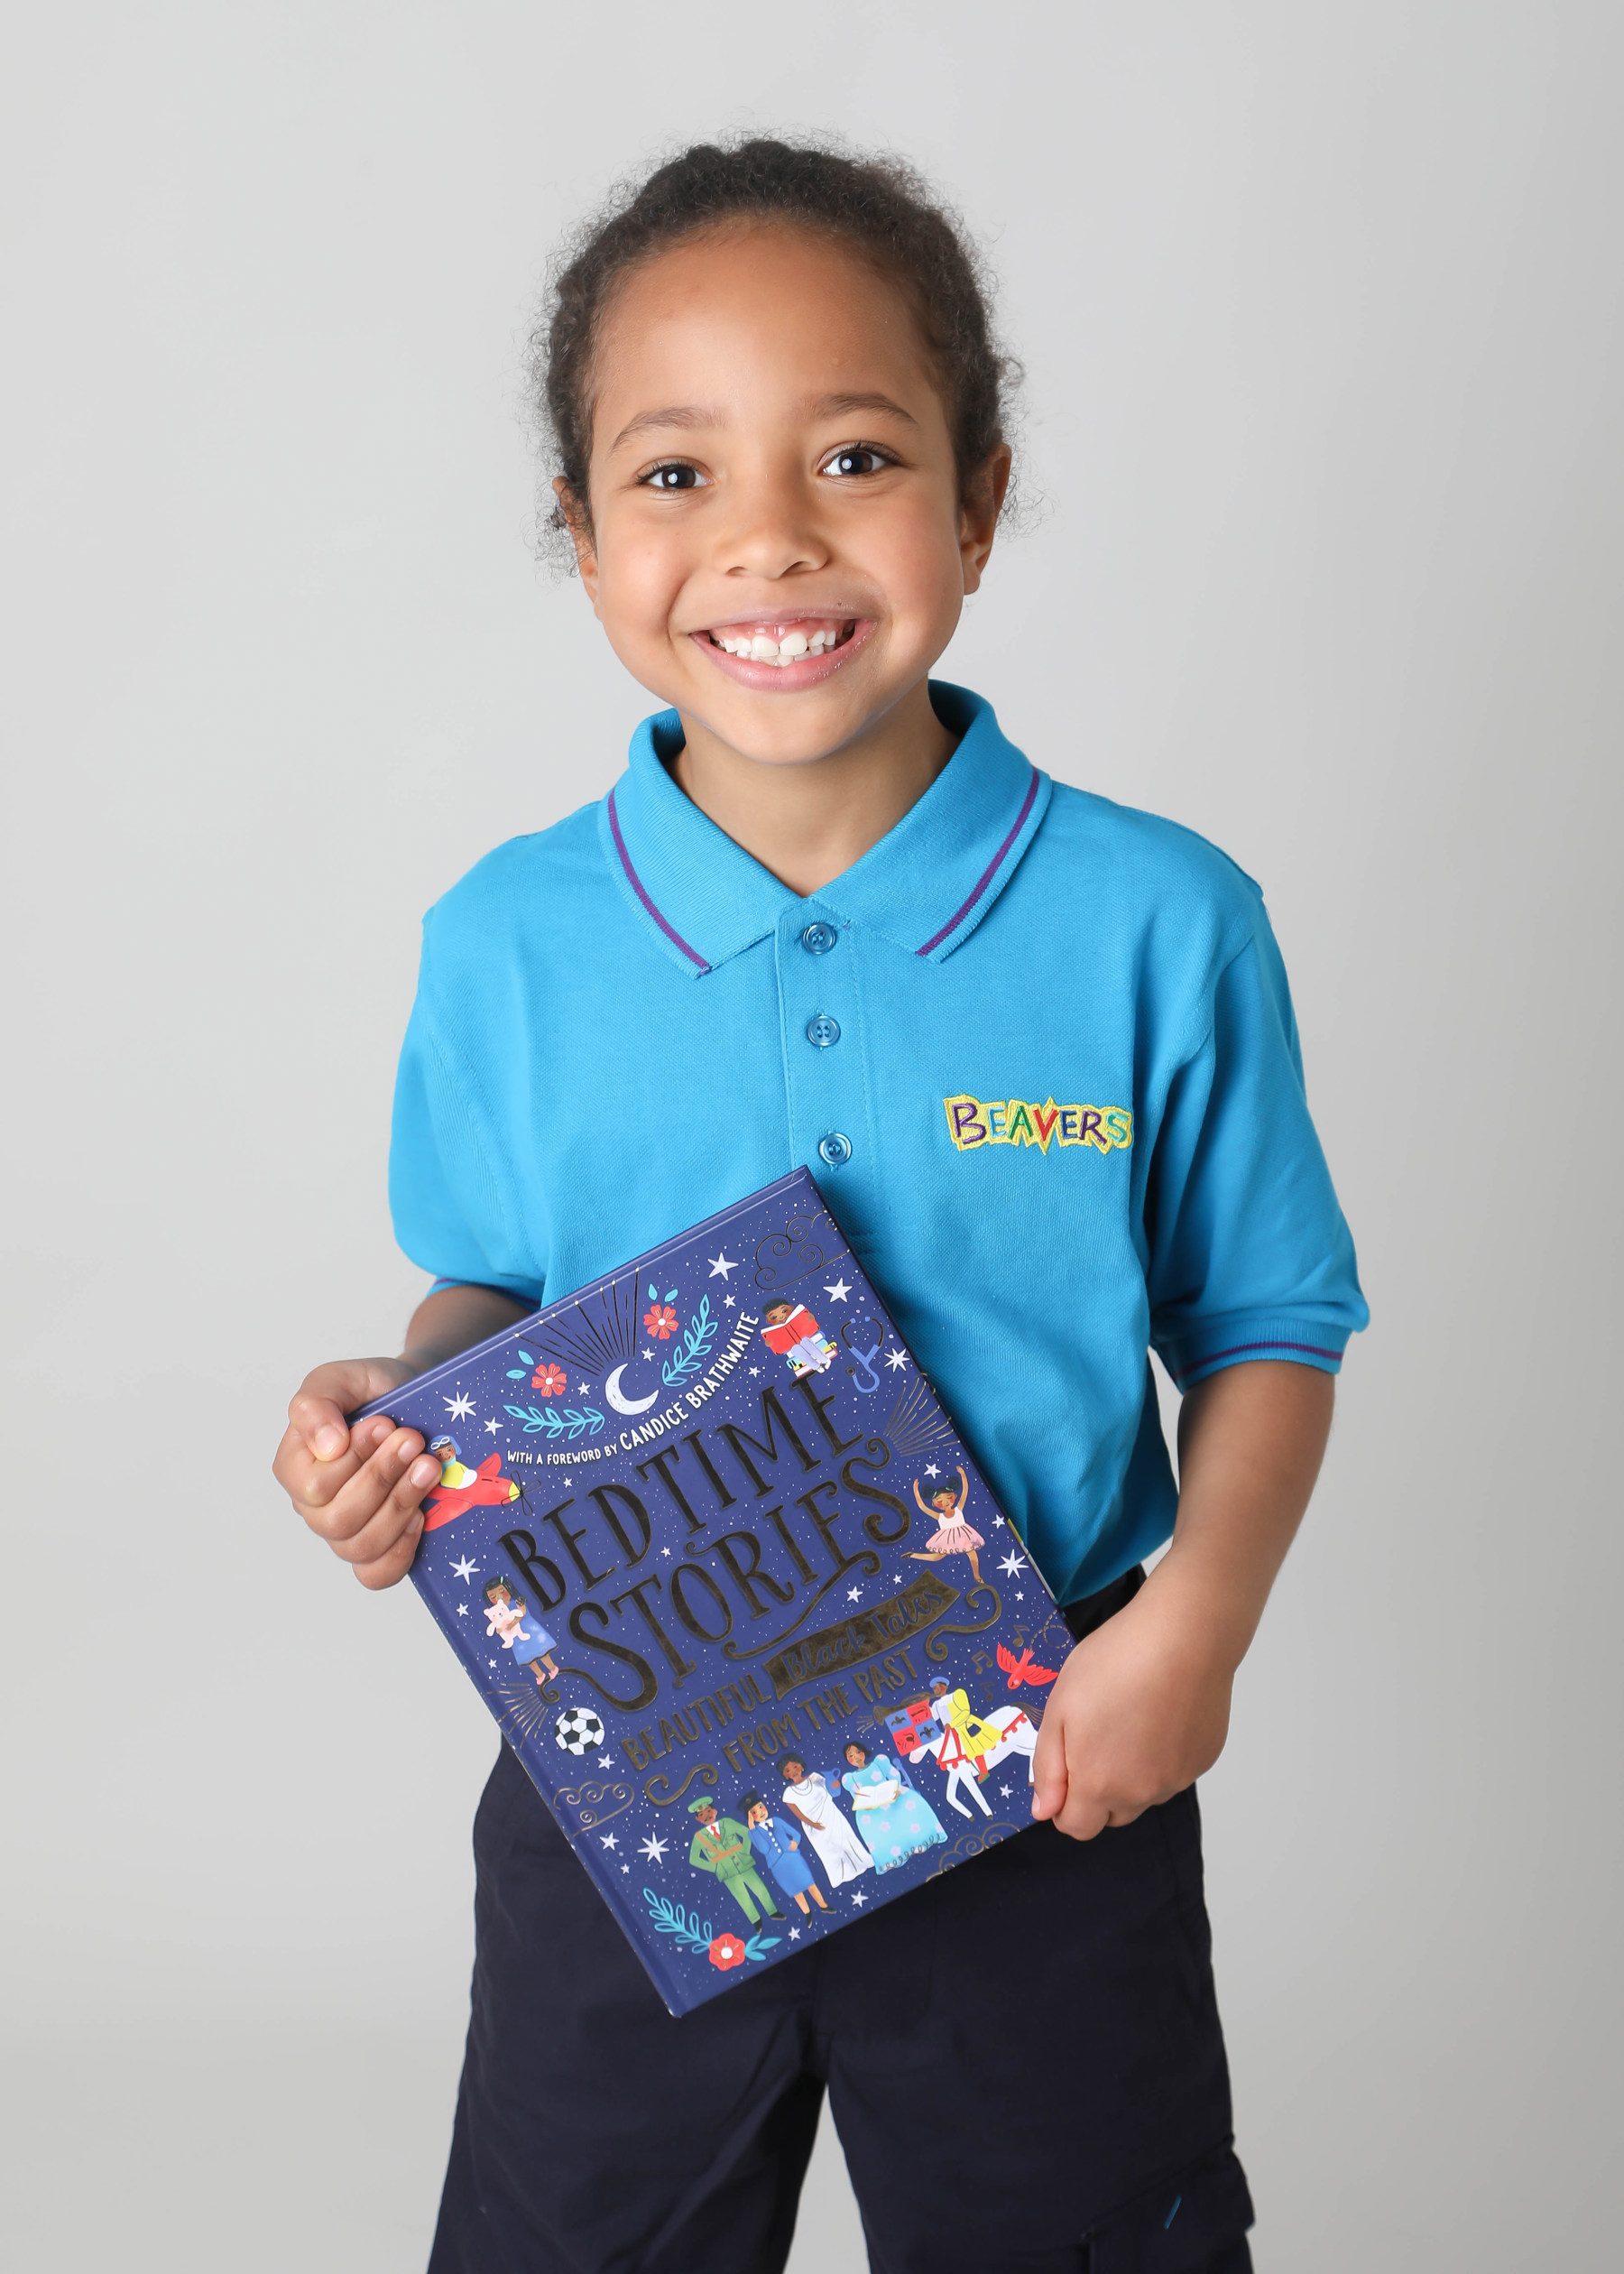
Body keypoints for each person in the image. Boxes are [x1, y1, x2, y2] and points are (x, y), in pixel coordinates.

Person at [272, 135, 1366, 2273]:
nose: (766, 535)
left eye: (854, 454)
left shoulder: (1159, 919)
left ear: (976, 499)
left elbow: (1267, 1325)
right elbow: (488, 1285)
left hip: (1056, 1768)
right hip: (635, 1791)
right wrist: (399, 1417)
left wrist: (1195, 1634)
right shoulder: (508, 940)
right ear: (579, 538)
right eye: (673, 476)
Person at [839, 1738, 949, 1871]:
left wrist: (895, 1789)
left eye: (858, 1752)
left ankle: (919, 1841)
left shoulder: (878, 1763)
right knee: (875, 1826)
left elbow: (894, 1774)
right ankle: (896, 1855)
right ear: (848, 1760)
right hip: (872, 1807)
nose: (856, 1757)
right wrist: (865, 1804)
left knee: (907, 1810)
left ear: (863, 1752)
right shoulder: (850, 1778)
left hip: (891, 1795)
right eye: (851, 1756)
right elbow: (857, 1796)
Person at [686, 1796, 784, 1927]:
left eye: (708, 1811)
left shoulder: (727, 1822)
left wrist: (745, 1851)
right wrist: (715, 1868)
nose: (707, 1816)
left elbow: (747, 1833)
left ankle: (773, 1912)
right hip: (727, 1873)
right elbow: (694, 1859)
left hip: (744, 1864)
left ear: (715, 1811)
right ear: (698, 1819)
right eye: (701, 1815)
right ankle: (756, 1921)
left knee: (760, 1889)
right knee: (742, 1897)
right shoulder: (699, 1838)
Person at [778, 1753, 874, 1885]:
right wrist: (813, 1824)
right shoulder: (788, 1794)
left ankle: (862, 1863)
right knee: (829, 1851)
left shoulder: (815, 1777)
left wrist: (835, 1785)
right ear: (785, 1774)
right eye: (788, 1770)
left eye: (795, 1766)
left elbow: (832, 1792)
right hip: (815, 1826)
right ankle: (841, 1876)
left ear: (801, 1765)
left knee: (846, 1839)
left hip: (832, 1814)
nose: (793, 1771)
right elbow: (798, 1814)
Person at [741, 1792, 831, 1916]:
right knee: (795, 1891)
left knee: (809, 1883)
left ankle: (823, 1906)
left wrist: (795, 1842)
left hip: (793, 1858)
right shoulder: (755, 1833)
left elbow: (796, 1834)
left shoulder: (777, 1821)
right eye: (754, 1812)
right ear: (751, 1817)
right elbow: (764, 1849)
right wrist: (752, 1828)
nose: (761, 1812)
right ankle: (807, 1913)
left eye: (761, 1807)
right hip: (777, 1865)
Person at [908, 1463, 985, 1583]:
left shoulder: (958, 1508)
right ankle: (913, 1555)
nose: (945, 1503)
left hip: (964, 1535)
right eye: (940, 1501)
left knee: (972, 1553)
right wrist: (915, 1491)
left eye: (949, 1498)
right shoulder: (939, 1516)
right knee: (937, 1556)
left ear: (954, 1496)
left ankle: (977, 1576)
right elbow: (922, 1507)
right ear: (934, 1504)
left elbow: (965, 1491)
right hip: (948, 1538)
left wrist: (963, 1475)